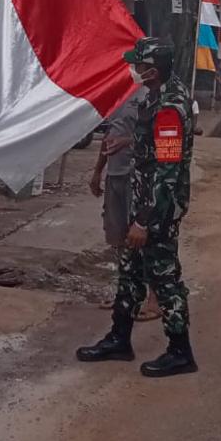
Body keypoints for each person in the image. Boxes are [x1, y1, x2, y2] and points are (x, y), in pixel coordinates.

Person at [77, 38, 197, 378]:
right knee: (129, 273)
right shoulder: (156, 97)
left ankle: (180, 351)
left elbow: (168, 170)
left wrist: (144, 222)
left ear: (153, 70)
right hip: (142, 200)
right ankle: (119, 339)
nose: (135, 70)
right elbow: (152, 144)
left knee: (164, 279)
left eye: (140, 66)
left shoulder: (170, 107)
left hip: (158, 209)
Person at [89, 89, 159, 320]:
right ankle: (126, 292)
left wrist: (127, 141)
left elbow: (156, 137)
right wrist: (98, 170)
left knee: (141, 237)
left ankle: (154, 299)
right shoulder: (116, 95)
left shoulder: (149, 96)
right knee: (117, 236)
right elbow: (109, 135)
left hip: (136, 175)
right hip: (115, 175)